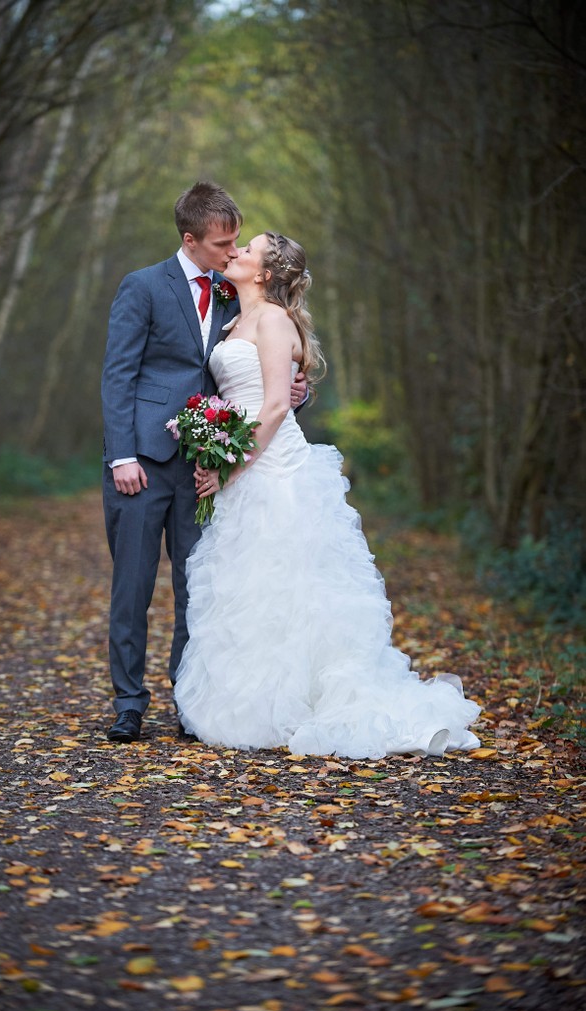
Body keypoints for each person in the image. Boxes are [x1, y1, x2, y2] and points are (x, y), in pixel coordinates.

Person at [175, 232, 481, 759]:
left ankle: (309, 701)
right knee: (249, 586)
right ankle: (254, 703)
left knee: (293, 587)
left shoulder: (272, 320)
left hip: (275, 469)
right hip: (243, 462)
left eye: (247, 251)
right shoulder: (234, 318)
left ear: (265, 273)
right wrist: (215, 446)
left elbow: (273, 408)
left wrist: (229, 470)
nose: (236, 254)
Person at [101, 184, 306, 742]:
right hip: (141, 462)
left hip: (206, 465)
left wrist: (295, 388)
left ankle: (191, 701)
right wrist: (121, 454)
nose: (231, 251)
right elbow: (119, 375)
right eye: (222, 243)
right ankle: (128, 703)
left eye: (238, 242)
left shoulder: (234, 294)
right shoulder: (142, 286)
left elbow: (259, 370)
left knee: (201, 586)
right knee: (134, 585)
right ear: (190, 240)